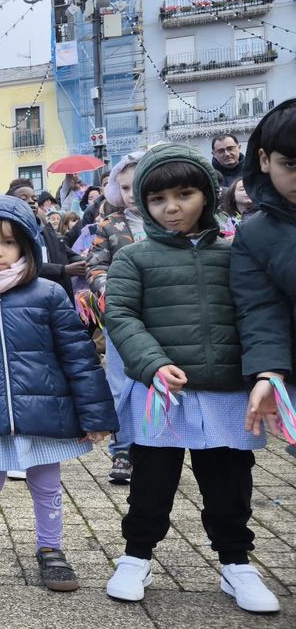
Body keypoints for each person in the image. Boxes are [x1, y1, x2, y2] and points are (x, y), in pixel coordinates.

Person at [103, 144, 279, 613]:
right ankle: (136, 555)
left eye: (184, 194)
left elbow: (258, 311)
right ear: (144, 204)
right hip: (162, 392)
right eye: (158, 199)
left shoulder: (237, 251)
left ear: (206, 193)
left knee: (229, 483)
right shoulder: (134, 258)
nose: (172, 208)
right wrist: (152, 363)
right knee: (151, 484)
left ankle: (236, 563)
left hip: (225, 392)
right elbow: (119, 316)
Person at [0, 195, 116, 593]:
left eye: (9, 242)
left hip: (46, 414)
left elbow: (79, 356)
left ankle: (51, 550)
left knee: (46, 485)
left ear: (26, 245)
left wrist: (96, 415)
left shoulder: (48, 293)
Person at [232, 98, 296, 463]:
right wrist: (269, 374)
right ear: (264, 160)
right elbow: (260, 309)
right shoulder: (255, 234)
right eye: (291, 163)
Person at [85, 150, 147, 484]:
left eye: (139, 185)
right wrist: (114, 293)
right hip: (121, 317)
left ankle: (157, 444)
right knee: (120, 384)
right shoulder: (109, 226)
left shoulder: (169, 221)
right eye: (125, 187)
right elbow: (95, 266)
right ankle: (122, 450)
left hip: (164, 318)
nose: (133, 193)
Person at [7, 181, 86, 302]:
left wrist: (86, 263)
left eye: (34, 198)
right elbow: (25, 265)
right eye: (24, 198)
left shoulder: (47, 232)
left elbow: (67, 253)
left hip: (57, 296)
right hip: (30, 298)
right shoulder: (11, 236)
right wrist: (63, 270)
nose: (31, 201)